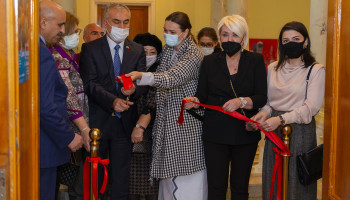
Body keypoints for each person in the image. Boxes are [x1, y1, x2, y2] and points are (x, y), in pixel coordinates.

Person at [184, 15, 267, 200]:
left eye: (235, 35)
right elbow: (202, 94)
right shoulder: (210, 61)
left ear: (244, 38)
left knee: (240, 188)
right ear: (219, 38)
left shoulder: (255, 60)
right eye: (225, 34)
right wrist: (194, 100)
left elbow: (261, 97)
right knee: (216, 188)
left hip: (245, 133)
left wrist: (241, 101)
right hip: (215, 134)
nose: (230, 39)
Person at [126, 12, 207, 200]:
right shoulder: (169, 51)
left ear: (185, 32)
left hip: (184, 127)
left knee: (185, 182)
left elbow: (172, 78)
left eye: (172, 31)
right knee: (168, 186)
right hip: (166, 123)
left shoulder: (193, 54)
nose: (167, 34)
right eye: (165, 30)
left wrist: (141, 76)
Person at [249, 21, 325, 200]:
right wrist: (264, 113)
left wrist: (281, 119)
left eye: (296, 39)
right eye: (286, 40)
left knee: (297, 185)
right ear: (281, 44)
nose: (291, 43)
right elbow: (270, 103)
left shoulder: (315, 70)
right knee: (273, 180)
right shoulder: (273, 68)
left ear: (305, 42)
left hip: (300, 131)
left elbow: (310, 108)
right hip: (274, 130)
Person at [79, 3, 147, 200]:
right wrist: (113, 101)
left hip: (124, 123)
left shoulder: (136, 49)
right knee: (95, 176)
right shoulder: (90, 48)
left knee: (121, 179)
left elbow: (142, 82)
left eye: (126, 22)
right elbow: (89, 83)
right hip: (98, 122)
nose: (121, 26)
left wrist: (134, 90)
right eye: (117, 21)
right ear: (106, 22)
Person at [39, 0, 83, 200]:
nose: (63, 31)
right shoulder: (43, 54)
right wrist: (68, 137)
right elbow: (46, 107)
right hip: (45, 145)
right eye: (60, 25)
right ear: (43, 23)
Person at [49, 12, 91, 200]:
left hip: (76, 124)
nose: (77, 35)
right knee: (60, 181)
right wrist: (84, 127)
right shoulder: (58, 57)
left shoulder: (70, 56)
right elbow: (69, 96)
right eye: (75, 31)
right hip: (69, 127)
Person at [128, 33, 162, 200]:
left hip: (153, 136)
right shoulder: (128, 70)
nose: (148, 56)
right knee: (130, 187)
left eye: (152, 52)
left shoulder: (161, 74)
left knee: (152, 188)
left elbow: (154, 103)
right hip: (129, 133)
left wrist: (141, 125)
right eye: (144, 51)